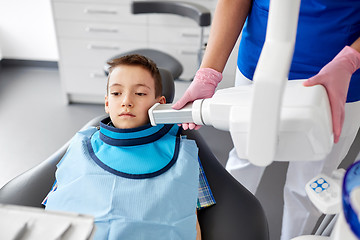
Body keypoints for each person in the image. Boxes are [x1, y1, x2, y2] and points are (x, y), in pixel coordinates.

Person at [172, 0, 360, 239]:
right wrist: (208, 73)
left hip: (339, 74)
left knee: (309, 182)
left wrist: (351, 60)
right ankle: (221, 231)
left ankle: (295, 235)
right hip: (261, 62)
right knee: (246, 157)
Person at [43, 54, 214, 240]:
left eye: (140, 93)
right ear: (107, 103)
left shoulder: (182, 154)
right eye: (116, 93)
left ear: (159, 104)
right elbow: (54, 207)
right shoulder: (81, 146)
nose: (126, 101)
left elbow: (190, 218)